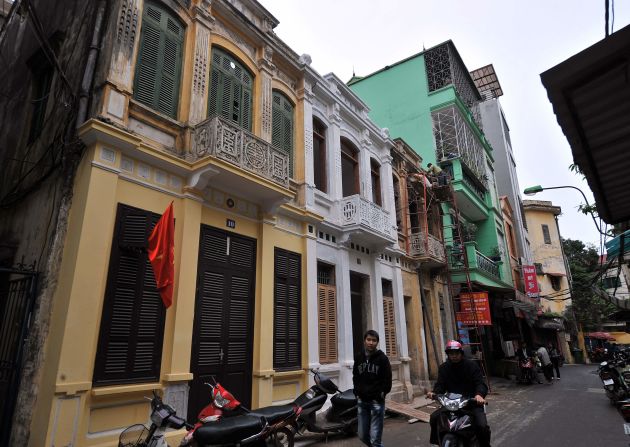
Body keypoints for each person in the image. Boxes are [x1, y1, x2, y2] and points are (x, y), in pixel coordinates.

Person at [427, 340, 491, 447]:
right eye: (451, 353)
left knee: (482, 426)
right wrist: (434, 393)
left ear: (461, 353)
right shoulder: (444, 368)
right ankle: (439, 442)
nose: (454, 356)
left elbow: (480, 383)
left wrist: (479, 394)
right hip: (452, 404)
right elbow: (440, 385)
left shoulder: (472, 366)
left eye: (456, 353)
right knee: (434, 418)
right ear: (448, 354)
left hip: (471, 403)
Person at [353, 330, 392, 447]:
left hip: (376, 402)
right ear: (365, 341)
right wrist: (357, 393)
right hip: (362, 401)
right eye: (368, 340)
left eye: (374, 340)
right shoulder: (359, 357)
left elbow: (387, 379)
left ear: (377, 343)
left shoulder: (382, 359)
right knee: (362, 435)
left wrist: (381, 394)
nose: (371, 343)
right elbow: (356, 376)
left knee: (375, 440)